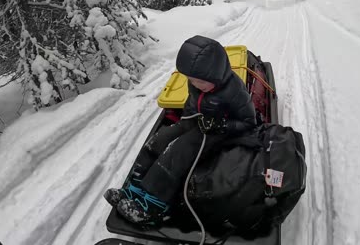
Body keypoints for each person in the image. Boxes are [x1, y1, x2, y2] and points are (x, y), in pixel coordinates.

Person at [104, 35, 257, 224]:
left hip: (221, 133)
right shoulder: (198, 83)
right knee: (161, 137)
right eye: (191, 80)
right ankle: (135, 187)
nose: (194, 84)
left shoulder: (235, 92)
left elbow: (250, 122)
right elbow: (192, 104)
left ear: (214, 75)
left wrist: (222, 125)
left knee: (180, 149)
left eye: (199, 81)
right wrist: (183, 123)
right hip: (197, 123)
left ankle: (155, 204)